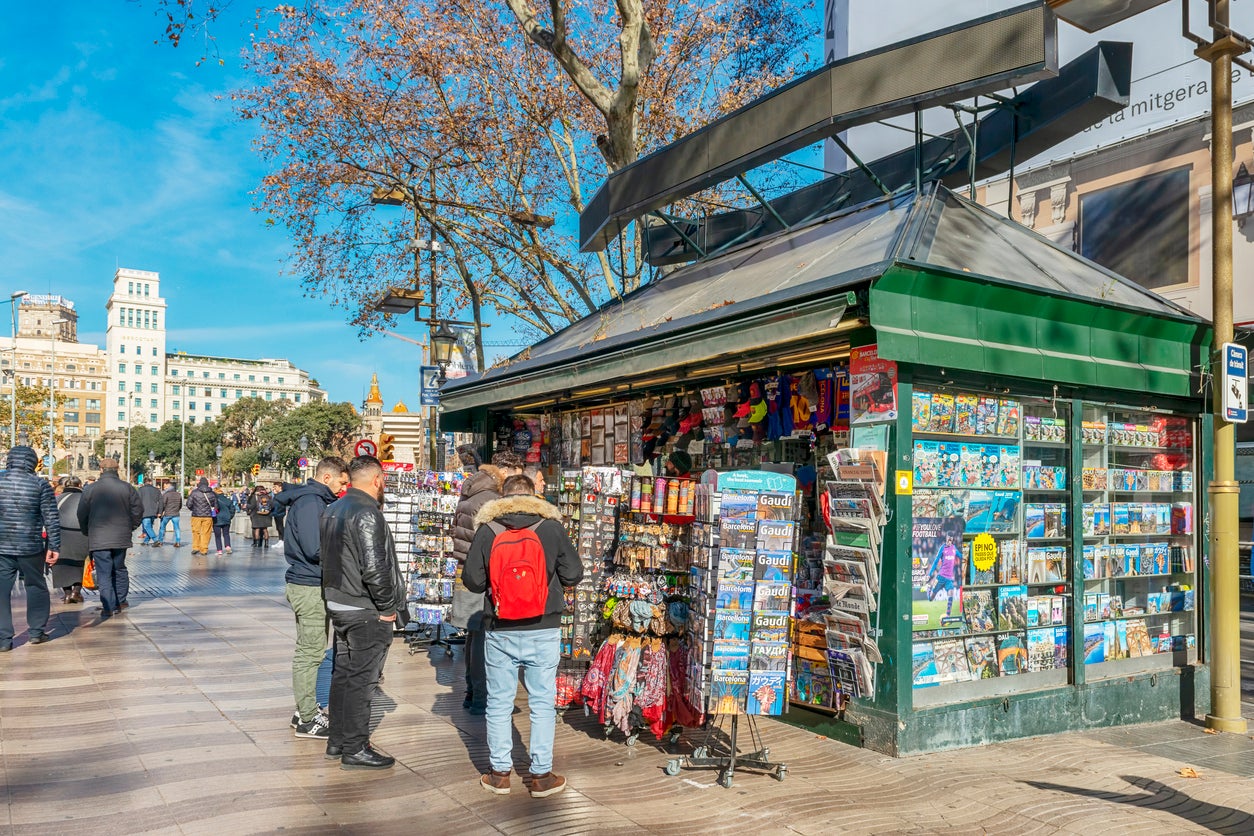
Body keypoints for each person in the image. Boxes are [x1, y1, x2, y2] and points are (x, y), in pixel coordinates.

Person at [463, 474, 583, 798]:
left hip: (499, 628)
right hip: (543, 627)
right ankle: (541, 776)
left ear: (503, 497)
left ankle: (499, 773)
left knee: (499, 702)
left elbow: (472, 581)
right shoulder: (552, 527)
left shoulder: (489, 529)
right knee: (542, 702)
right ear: (534, 495)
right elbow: (574, 573)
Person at [320, 455, 406, 770]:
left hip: (339, 602)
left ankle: (337, 741)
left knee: (343, 674)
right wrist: (387, 609)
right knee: (361, 678)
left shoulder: (333, 509)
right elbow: (375, 568)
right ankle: (355, 747)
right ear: (378, 480)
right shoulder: (368, 513)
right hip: (363, 607)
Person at [274, 456, 349, 740]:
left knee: (311, 649)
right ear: (327, 477)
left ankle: (304, 709)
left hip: (311, 583)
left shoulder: (314, 501)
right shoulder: (311, 503)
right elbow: (314, 547)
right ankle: (307, 719)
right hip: (308, 585)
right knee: (310, 652)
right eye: (342, 481)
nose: (343, 487)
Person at [449, 463, 504, 714]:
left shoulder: (468, 496)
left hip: (466, 569)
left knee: (474, 633)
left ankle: (472, 692)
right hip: (482, 572)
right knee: (482, 634)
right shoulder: (491, 500)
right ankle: (481, 696)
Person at [0, 445, 61, 649]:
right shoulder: (40, 484)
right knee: (36, 586)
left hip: (2, 546)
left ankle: (3, 640)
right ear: (32, 462)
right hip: (31, 545)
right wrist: (54, 545)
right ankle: (36, 632)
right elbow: (51, 518)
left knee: (1, 590)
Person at [77, 458, 142, 619]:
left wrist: (87, 531)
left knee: (103, 571)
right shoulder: (127, 488)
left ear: (101, 469)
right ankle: (120, 601)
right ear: (117, 468)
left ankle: (108, 606)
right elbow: (138, 511)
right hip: (121, 536)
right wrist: (130, 527)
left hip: (98, 537)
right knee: (119, 568)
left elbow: (81, 514)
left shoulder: (91, 489)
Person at [53, 476, 88, 603]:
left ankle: (67, 593)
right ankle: (76, 592)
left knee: (61, 565)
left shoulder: (57, 499)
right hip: (82, 535)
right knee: (81, 564)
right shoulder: (85, 499)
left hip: (60, 536)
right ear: (79, 485)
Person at [186, 477, 219, 555]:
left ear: (199, 483)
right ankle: (204, 549)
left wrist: (194, 509)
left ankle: (195, 547)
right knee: (206, 532)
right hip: (208, 516)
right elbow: (216, 506)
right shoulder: (212, 493)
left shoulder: (194, 492)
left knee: (196, 532)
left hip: (196, 516)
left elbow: (188, 504)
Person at [212, 486, 237, 556]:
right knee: (226, 534)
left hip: (216, 519)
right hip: (226, 519)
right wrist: (230, 516)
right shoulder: (228, 500)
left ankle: (219, 550)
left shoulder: (214, 501)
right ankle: (228, 546)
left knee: (217, 536)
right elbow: (232, 509)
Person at [159, 480, 184, 547]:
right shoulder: (178, 494)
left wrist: (161, 512)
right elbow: (180, 505)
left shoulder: (166, 494)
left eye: (165, 486)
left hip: (167, 513)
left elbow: (163, 504)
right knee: (177, 528)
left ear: (168, 485)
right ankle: (178, 541)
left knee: (162, 527)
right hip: (176, 514)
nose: (164, 488)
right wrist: (177, 510)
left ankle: (160, 541)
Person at [138, 477, 162, 546]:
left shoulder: (140, 490)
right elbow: (161, 501)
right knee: (149, 527)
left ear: (144, 482)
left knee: (147, 527)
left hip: (144, 512)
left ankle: (156, 540)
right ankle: (146, 541)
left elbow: (137, 501)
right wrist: (159, 512)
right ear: (150, 482)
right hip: (154, 512)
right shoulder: (156, 490)